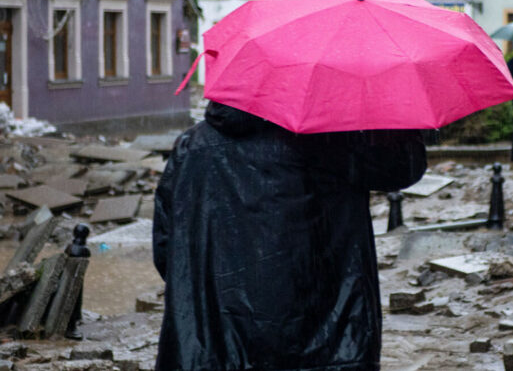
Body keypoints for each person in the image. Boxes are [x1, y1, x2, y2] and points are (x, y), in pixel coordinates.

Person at [152, 101, 427, 370]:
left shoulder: (191, 147)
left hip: (215, 345)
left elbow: (167, 250)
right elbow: (401, 169)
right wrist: (388, 107)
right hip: (325, 340)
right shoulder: (335, 139)